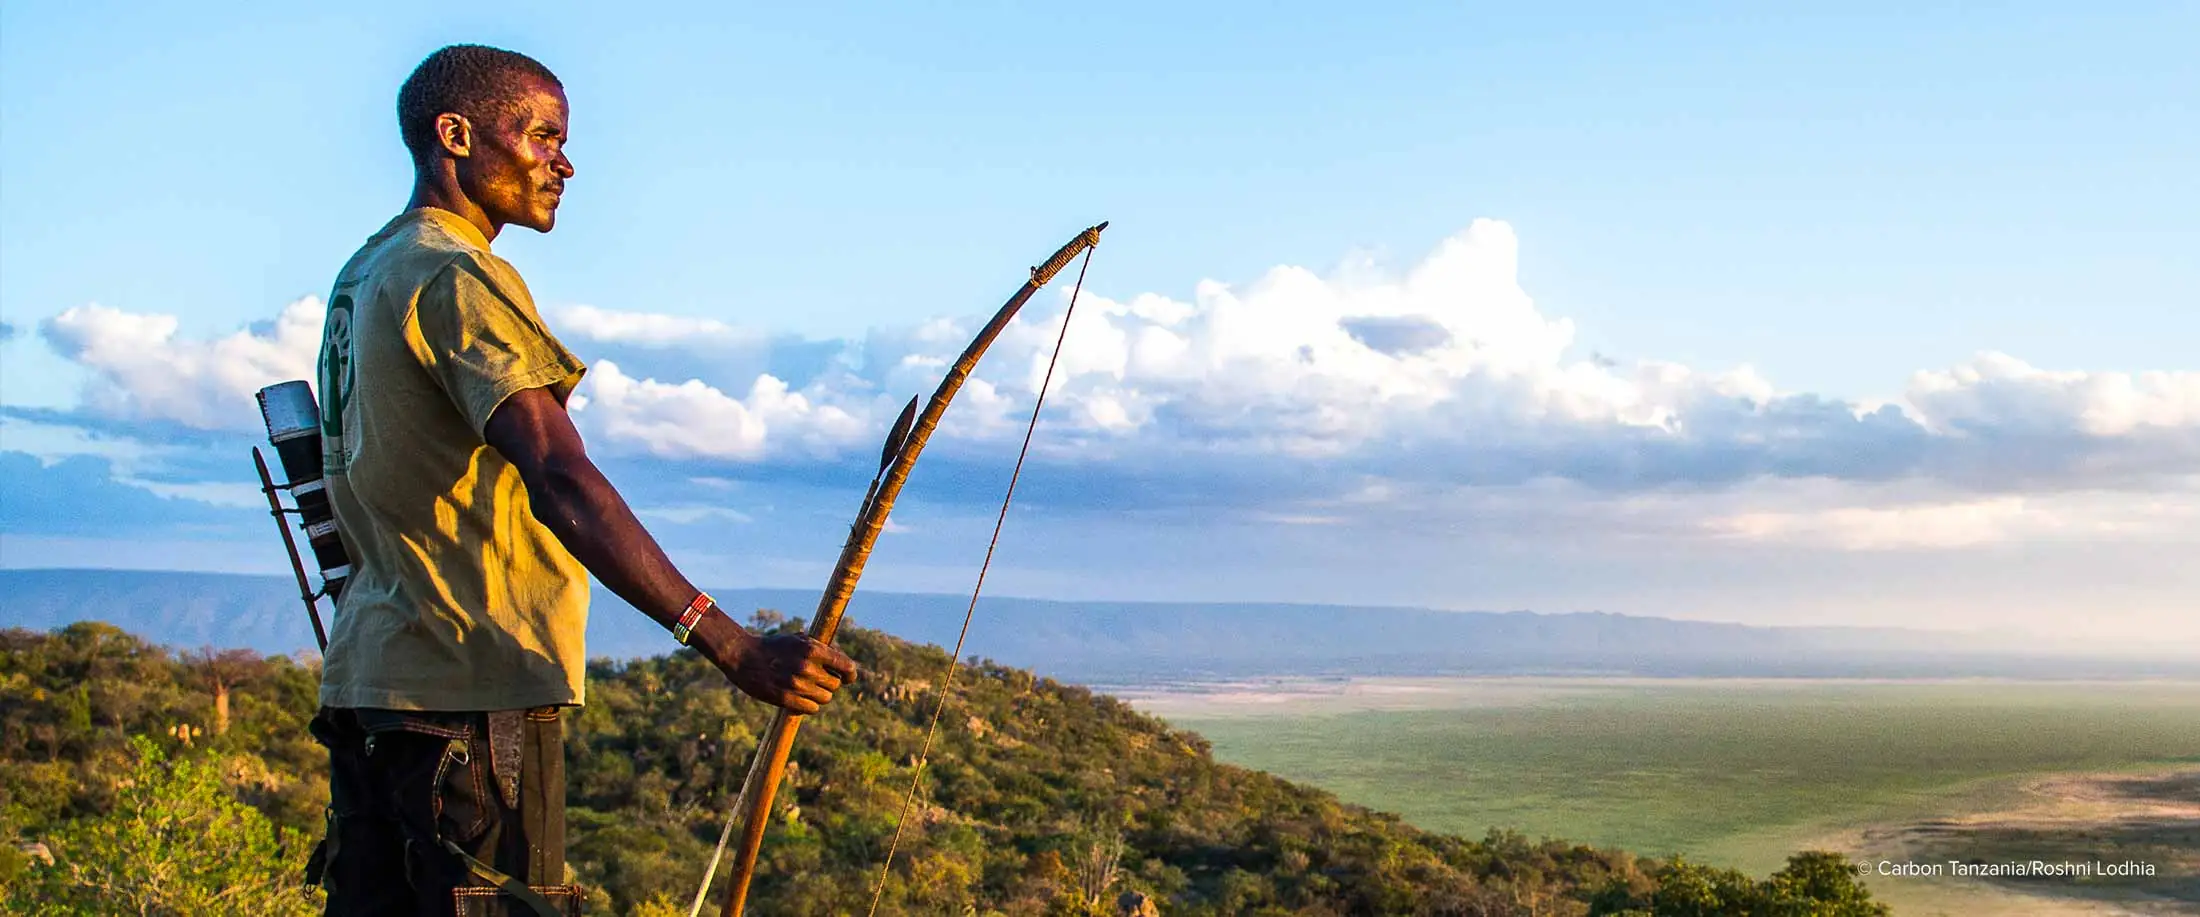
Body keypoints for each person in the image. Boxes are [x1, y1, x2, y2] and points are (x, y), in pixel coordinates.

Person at [306, 44, 856, 916]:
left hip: (375, 687)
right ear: (455, 135)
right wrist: (731, 644)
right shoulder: (458, 274)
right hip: (471, 689)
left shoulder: (369, 270)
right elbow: (560, 476)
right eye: (541, 136)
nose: (563, 163)